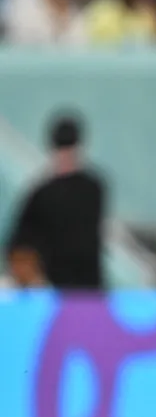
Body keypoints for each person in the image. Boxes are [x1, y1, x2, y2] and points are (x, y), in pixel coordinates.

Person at [5, 113, 106, 289]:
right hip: (86, 290)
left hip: (54, 290)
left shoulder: (41, 193)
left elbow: (17, 244)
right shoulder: (94, 189)